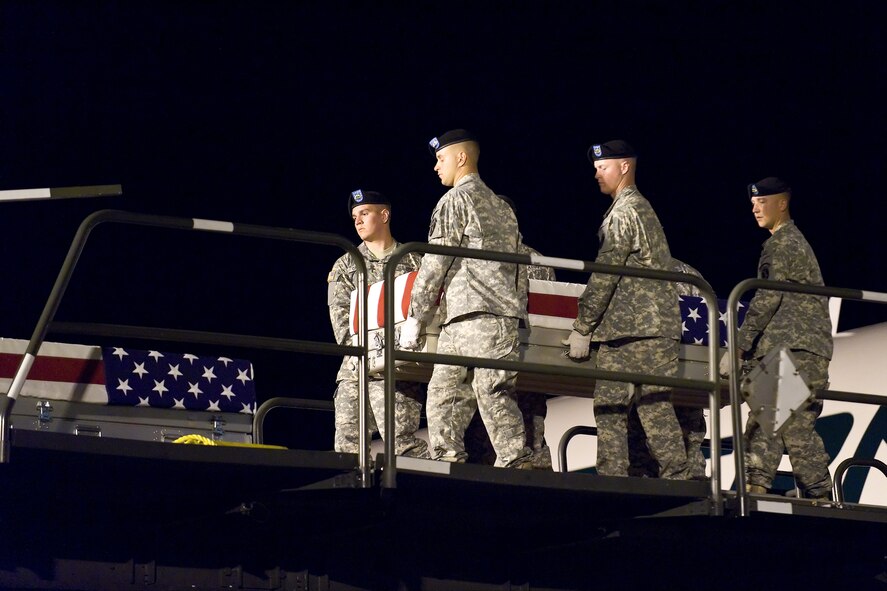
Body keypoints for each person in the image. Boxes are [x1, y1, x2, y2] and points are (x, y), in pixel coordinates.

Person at [398, 129, 532, 468]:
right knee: (484, 393)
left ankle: (452, 460)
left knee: (454, 395)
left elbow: (435, 261)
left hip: (470, 316)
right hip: (494, 317)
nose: (436, 167)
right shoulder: (504, 208)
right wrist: (519, 315)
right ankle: (510, 459)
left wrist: (416, 317)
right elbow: (521, 268)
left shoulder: (455, 201)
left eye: (441, 159)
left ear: (461, 158)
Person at [563, 140, 689, 479]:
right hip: (646, 328)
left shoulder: (624, 212)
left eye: (603, 168)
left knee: (614, 407)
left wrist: (583, 325)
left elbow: (607, 271)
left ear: (624, 167)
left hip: (632, 331)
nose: (596, 174)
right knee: (649, 407)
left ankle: (615, 476)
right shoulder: (641, 209)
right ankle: (675, 475)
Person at [719, 177, 833, 498]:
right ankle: (798, 492)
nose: (755, 208)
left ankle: (781, 491)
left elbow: (768, 297)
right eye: (753, 203)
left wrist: (740, 345)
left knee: (776, 423)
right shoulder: (794, 242)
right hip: (802, 348)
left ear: (782, 203)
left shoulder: (781, 244)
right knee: (780, 423)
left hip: (794, 348)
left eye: (763, 202)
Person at [327, 189, 429, 458]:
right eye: (354, 217)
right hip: (357, 370)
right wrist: (365, 356)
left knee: (403, 447)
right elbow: (341, 322)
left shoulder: (413, 262)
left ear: (384, 215)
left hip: (399, 370)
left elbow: (427, 313)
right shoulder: (346, 265)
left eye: (365, 213)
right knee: (348, 452)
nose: (358, 221)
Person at [463, 194, 556, 469]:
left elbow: (547, 317)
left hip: (525, 359)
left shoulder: (535, 262)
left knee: (530, 432)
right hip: (490, 358)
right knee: (483, 434)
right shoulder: (472, 256)